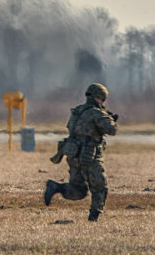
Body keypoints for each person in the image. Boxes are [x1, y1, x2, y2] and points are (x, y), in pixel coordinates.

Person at [44, 82, 118, 222]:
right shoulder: (97, 113)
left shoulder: (77, 111)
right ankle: (93, 218)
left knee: (78, 190)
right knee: (99, 187)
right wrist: (112, 120)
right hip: (89, 155)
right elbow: (111, 130)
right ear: (99, 97)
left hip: (73, 153)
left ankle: (56, 187)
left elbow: (76, 129)